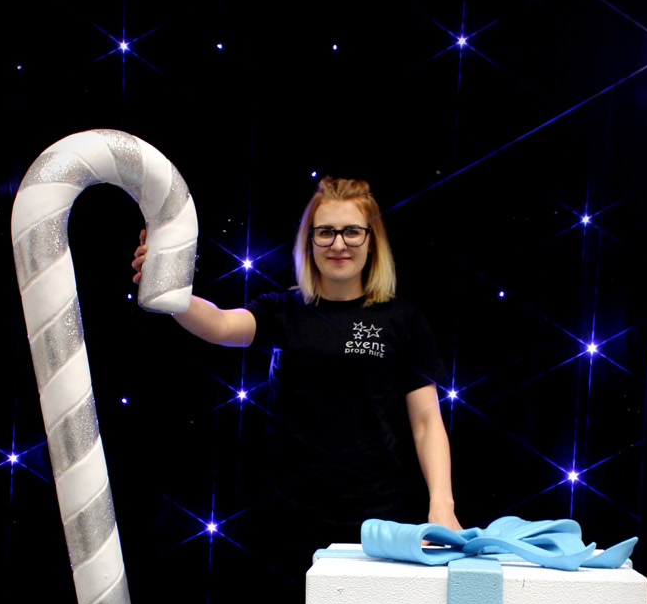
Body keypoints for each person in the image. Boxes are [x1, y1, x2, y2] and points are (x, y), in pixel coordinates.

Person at [132, 177, 459, 537]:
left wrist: (442, 505)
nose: (338, 244)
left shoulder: (403, 319)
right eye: (325, 232)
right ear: (309, 241)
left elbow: (426, 423)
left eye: (352, 232)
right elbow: (219, 325)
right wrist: (165, 285)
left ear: (372, 240)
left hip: (379, 522)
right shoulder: (282, 311)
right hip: (287, 521)